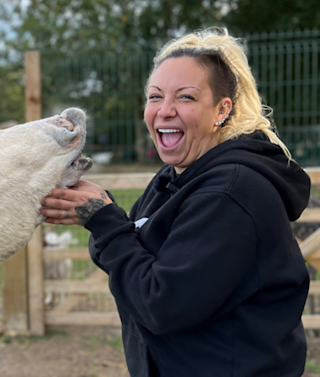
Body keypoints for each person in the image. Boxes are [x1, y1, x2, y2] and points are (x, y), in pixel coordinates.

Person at [40, 28, 311, 377]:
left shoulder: (231, 193)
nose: (164, 110)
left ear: (221, 110)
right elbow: (120, 256)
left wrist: (106, 221)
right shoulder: (175, 178)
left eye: (185, 97)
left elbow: (160, 305)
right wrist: (102, 211)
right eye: (155, 97)